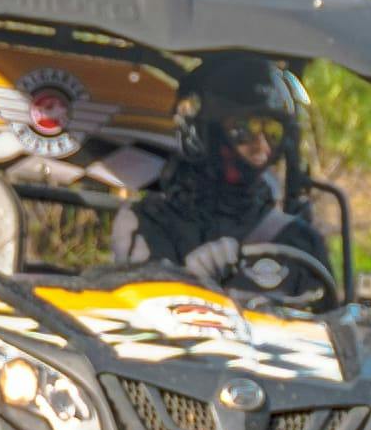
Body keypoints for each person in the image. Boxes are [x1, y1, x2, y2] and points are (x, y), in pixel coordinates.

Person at [118, 54, 332, 295]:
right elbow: (139, 310)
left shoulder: (298, 239)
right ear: (204, 133)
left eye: (272, 131)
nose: (262, 147)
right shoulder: (149, 223)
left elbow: (327, 320)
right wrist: (191, 279)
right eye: (244, 130)